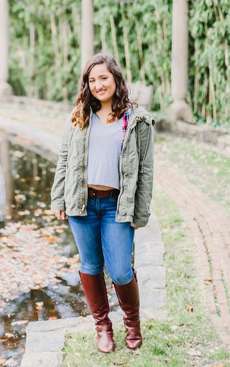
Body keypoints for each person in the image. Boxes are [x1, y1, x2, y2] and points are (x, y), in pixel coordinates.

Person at [51, 52, 154, 353]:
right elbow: (64, 160)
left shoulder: (137, 121)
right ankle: (102, 326)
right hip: (81, 204)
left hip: (115, 206)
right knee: (91, 266)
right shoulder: (78, 117)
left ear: (116, 79)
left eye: (103, 78)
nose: (98, 85)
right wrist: (59, 198)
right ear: (87, 85)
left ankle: (132, 322)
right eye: (92, 80)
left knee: (121, 270)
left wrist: (141, 210)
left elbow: (145, 169)